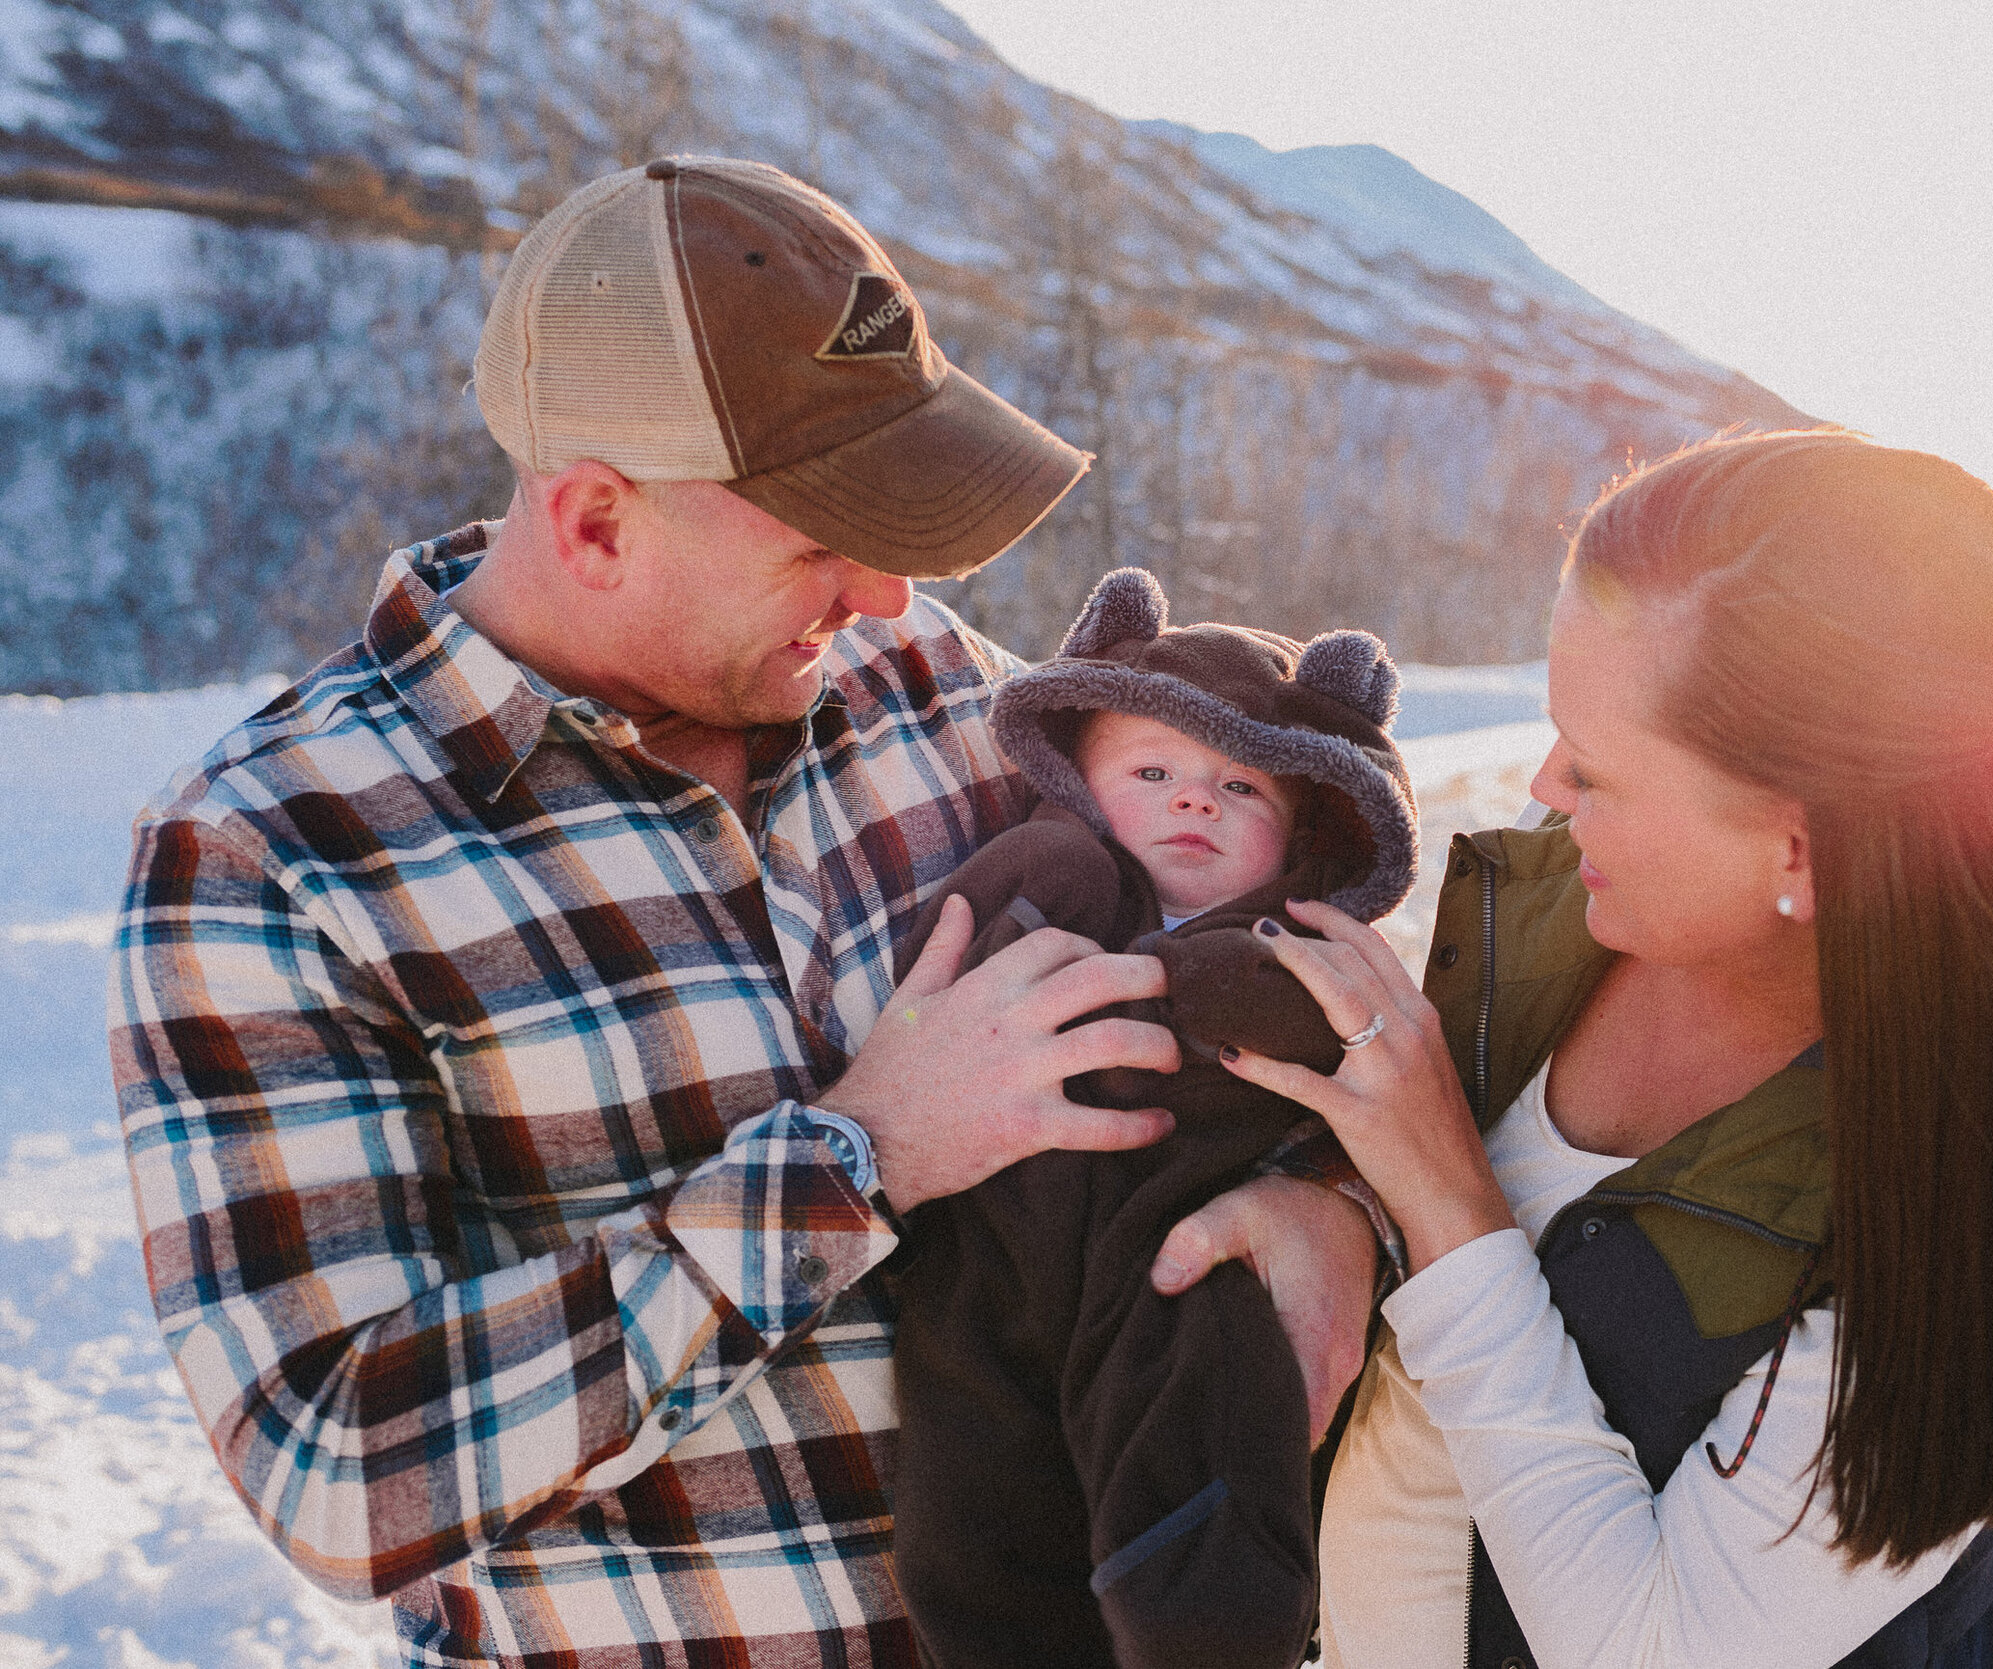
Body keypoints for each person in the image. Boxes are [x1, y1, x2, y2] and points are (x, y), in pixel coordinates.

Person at [108, 156, 1377, 1668]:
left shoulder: (935, 696)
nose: (893, 594)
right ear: (593, 524)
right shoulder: (272, 852)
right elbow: (339, 1461)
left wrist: (1333, 1209)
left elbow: (1225, 973)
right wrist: (863, 1156)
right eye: (822, 535)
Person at [1212, 431, 1993, 1668]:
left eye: (1595, 768)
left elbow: (1654, 1645)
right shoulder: (1576, 907)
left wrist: (1442, 1197)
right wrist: (1337, 1198)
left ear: (1803, 849)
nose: (1545, 784)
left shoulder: (1992, 1198)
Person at [885, 565, 1415, 1669]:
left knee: (1208, 1421)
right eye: (1155, 770)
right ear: (1076, 777)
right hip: (998, 1251)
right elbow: (944, 973)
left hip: (1172, 1247)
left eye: (1243, 789)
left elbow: (1369, 1080)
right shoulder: (1048, 873)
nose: (1193, 801)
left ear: (1308, 828)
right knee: (969, 1487)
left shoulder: (1304, 953)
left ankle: (1211, 1635)